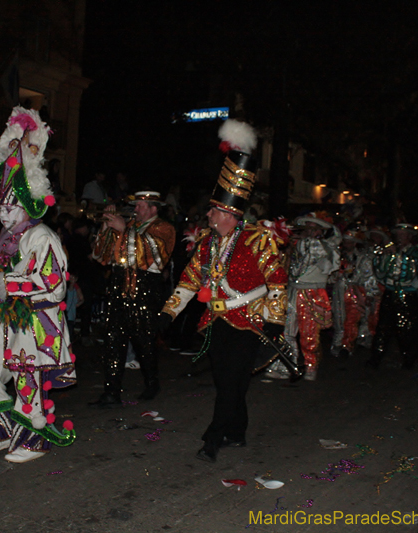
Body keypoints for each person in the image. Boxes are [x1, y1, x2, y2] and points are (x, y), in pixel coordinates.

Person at [159, 119, 288, 463]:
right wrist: (168, 313)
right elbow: (188, 282)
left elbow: (277, 282)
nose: (210, 214)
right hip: (216, 321)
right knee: (229, 381)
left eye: (215, 210)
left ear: (230, 214)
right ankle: (237, 431)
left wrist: (275, 321)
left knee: (231, 382)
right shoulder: (205, 244)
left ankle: (213, 438)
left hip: (249, 321)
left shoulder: (257, 241)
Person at [0, 106, 76, 463]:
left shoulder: (42, 237)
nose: (4, 214)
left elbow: (55, 287)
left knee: (27, 379)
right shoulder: (7, 237)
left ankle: (33, 440)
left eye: (11, 206)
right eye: (0, 207)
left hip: (34, 323)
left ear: (28, 204)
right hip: (8, 320)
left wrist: (9, 284)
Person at [90, 190, 176, 406]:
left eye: (140, 206)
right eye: (135, 205)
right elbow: (101, 256)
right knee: (113, 341)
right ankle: (111, 392)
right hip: (119, 288)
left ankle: (152, 382)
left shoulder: (164, 228)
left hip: (145, 290)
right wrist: (106, 226)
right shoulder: (129, 228)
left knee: (144, 342)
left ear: (154, 208)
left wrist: (124, 229)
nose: (134, 209)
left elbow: (153, 255)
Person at [282, 212, 341, 381]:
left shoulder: (326, 247)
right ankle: (289, 364)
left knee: (309, 333)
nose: (309, 231)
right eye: (307, 227)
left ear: (320, 231)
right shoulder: (296, 246)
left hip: (312, 292)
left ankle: (310, 366)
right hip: (294, 290)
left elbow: (329, 267)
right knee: (287, 330)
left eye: (314, 228)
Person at [367, 223, 418, 370]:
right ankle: (376, 357)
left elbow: (417, 268)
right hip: (390, 292)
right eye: (397, 235)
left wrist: (398, 255)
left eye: (403, 235)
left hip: (407, 294)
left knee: (406, 328)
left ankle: (408, 358)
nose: (399, 238)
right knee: (383, 326)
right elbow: (380, 272)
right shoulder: (390, 251)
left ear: (410, 237)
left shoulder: (416, 253)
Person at [330, 228, 377, 361]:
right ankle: (339, 342)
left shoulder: (363, 258)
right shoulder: (338, 256)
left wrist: (369, 293)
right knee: (339, 316)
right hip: (339, 291)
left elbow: (369, 277)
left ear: (355, 243)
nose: (347, 244)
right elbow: (331, 275)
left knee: (352, 318)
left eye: (350, 242)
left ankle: (347, 345)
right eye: (345, 242)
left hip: (355, 291)